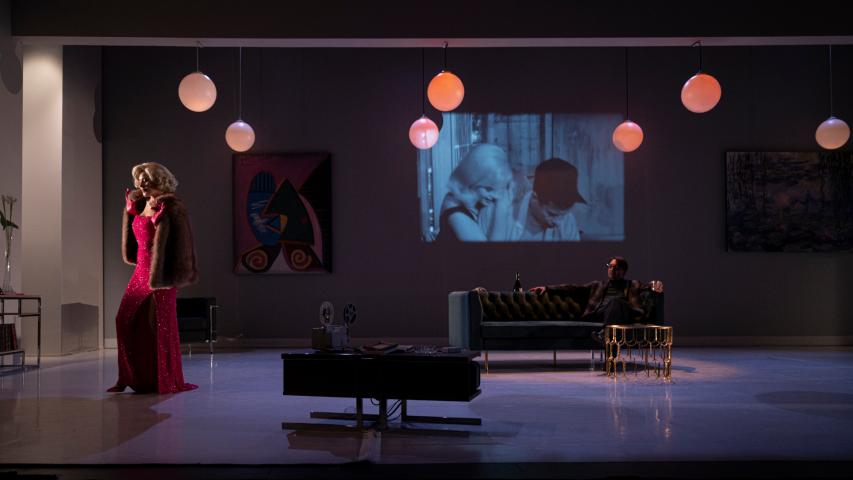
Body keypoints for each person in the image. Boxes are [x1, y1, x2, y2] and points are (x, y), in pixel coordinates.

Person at [109, 162, 199, 394]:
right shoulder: (140, 203)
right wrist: (130, 212)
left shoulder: (172, 207)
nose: (141, 185)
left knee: (160, 327)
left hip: (161, 274)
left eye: (146, 181)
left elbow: (182, 246)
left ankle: (164, 379)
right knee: (125, 320)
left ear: (160, 181)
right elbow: (135, 237)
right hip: (140, 271)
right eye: (139, 181)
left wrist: (160, 221)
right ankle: (135, 377)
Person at [531, 257, 661, 332]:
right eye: (610, 266)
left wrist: (656, 284)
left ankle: (605, 334)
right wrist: (548, 288)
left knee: (616, 302)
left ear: (623, 271)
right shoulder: (597, 285)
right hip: (601, 314)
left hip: (623, 314)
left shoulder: (633, 284)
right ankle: (608, 336)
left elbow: (649, 286)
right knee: (613, 307)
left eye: (615, 268)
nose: (611, 270)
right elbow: (572, 288)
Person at [437, 143, 514, 241]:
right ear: (472, 180)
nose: (496, 196)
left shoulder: (471, 198)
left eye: (498, 189)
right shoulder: (456, 215)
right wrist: (502, 210)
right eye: (489, 189)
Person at [510, 158, 585, 241]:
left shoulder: (568, 221)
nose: (558, 223)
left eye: (563, 215)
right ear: (535, 197)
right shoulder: (508, 215)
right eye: (552, 214)